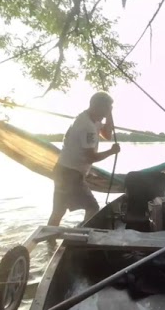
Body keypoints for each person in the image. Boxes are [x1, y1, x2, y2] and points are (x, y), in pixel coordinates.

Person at [47, 91, 120, 227]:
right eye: (105, 110)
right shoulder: (87, 127)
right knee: (93, 208)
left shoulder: (91, 118)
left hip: (61, 170)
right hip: (71, 174)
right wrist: (111, 151)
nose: (105, 114)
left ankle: (50, 242)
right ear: (96, 106)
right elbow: (91, 157)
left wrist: (109, 114)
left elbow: (107, 135)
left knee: (58, 212)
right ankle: (82, 236)